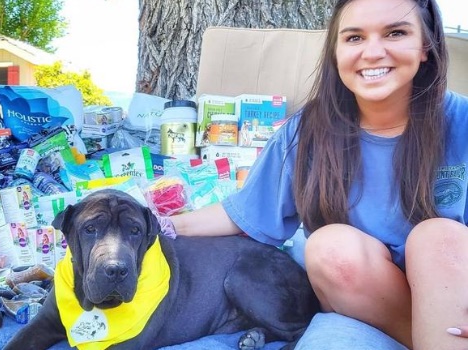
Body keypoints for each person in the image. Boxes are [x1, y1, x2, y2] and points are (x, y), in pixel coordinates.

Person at [164, 0, 468, 348]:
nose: (372, 52)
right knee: (328, 245)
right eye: (354, 38)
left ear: (427, 45)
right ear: (336, 52)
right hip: (363, 313)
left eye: (396, 33)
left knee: (439, 237)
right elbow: (245, 213)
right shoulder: (305, 133)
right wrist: (165, 223)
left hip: (452, 306)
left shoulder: (462, 122)